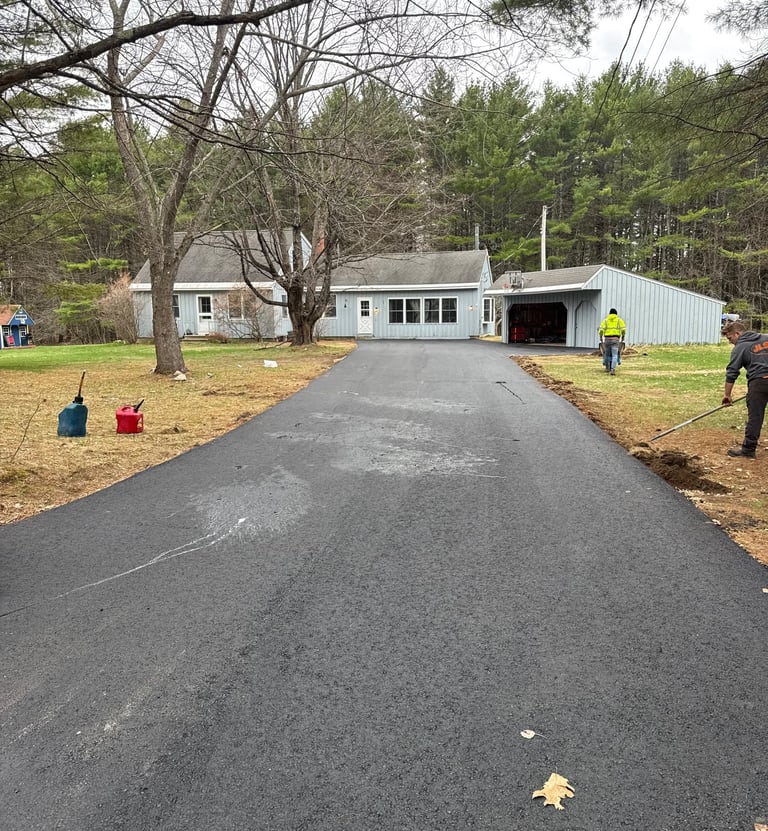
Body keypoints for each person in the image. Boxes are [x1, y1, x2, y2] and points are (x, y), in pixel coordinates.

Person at [721, 320, 768, 458]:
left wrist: (727, 395)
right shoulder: (766, 338)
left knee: (755, 417)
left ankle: (748, 450)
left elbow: (732, 372)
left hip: (759, 383)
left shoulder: (740, 347)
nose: (730, 342)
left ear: (737, 333)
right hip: (760, 381)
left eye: (730, 338)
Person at [598, 308, 627, 376]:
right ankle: (612, 369)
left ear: (609, 314)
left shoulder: (605, 321)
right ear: (616, 314)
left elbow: (601, 330)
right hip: (615, 339)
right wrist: (623, 336)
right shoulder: (619, 320)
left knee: (607, 354)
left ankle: (607, 368)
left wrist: (601, 337)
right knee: (614, 355)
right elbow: (623, 329)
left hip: (607, 340)